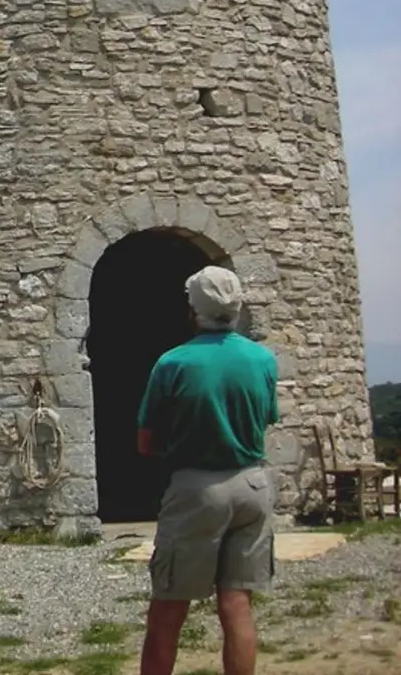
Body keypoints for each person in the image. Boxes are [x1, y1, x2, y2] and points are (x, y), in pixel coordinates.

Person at [136, 266, 279, 675]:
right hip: (253, 483)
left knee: (168, 607)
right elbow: (267, 418)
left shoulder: (173, 363)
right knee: (237, 604)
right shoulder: (262, 359)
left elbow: (146, 442)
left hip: (198, 486)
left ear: (193, 309)